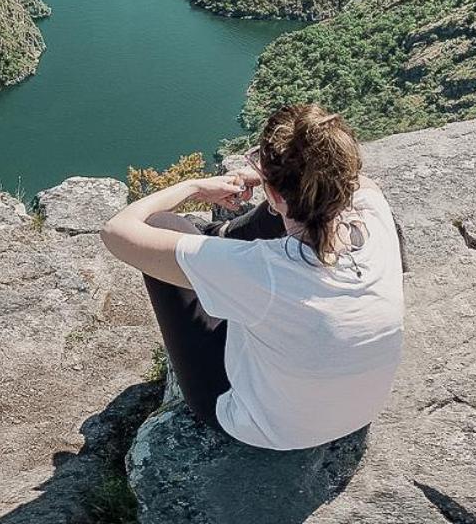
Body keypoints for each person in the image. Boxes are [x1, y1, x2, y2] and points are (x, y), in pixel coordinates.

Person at [99, 103, 405, 450]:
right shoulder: (374, 214)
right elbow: (351, 183)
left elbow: (116, 231)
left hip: (268, 428)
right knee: (300, 212)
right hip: (360, 410)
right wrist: (275, 178)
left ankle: (211, 241)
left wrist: (193, 187)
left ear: (272, 192)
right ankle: (219, 236)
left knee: (163, 226)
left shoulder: (261, 270)